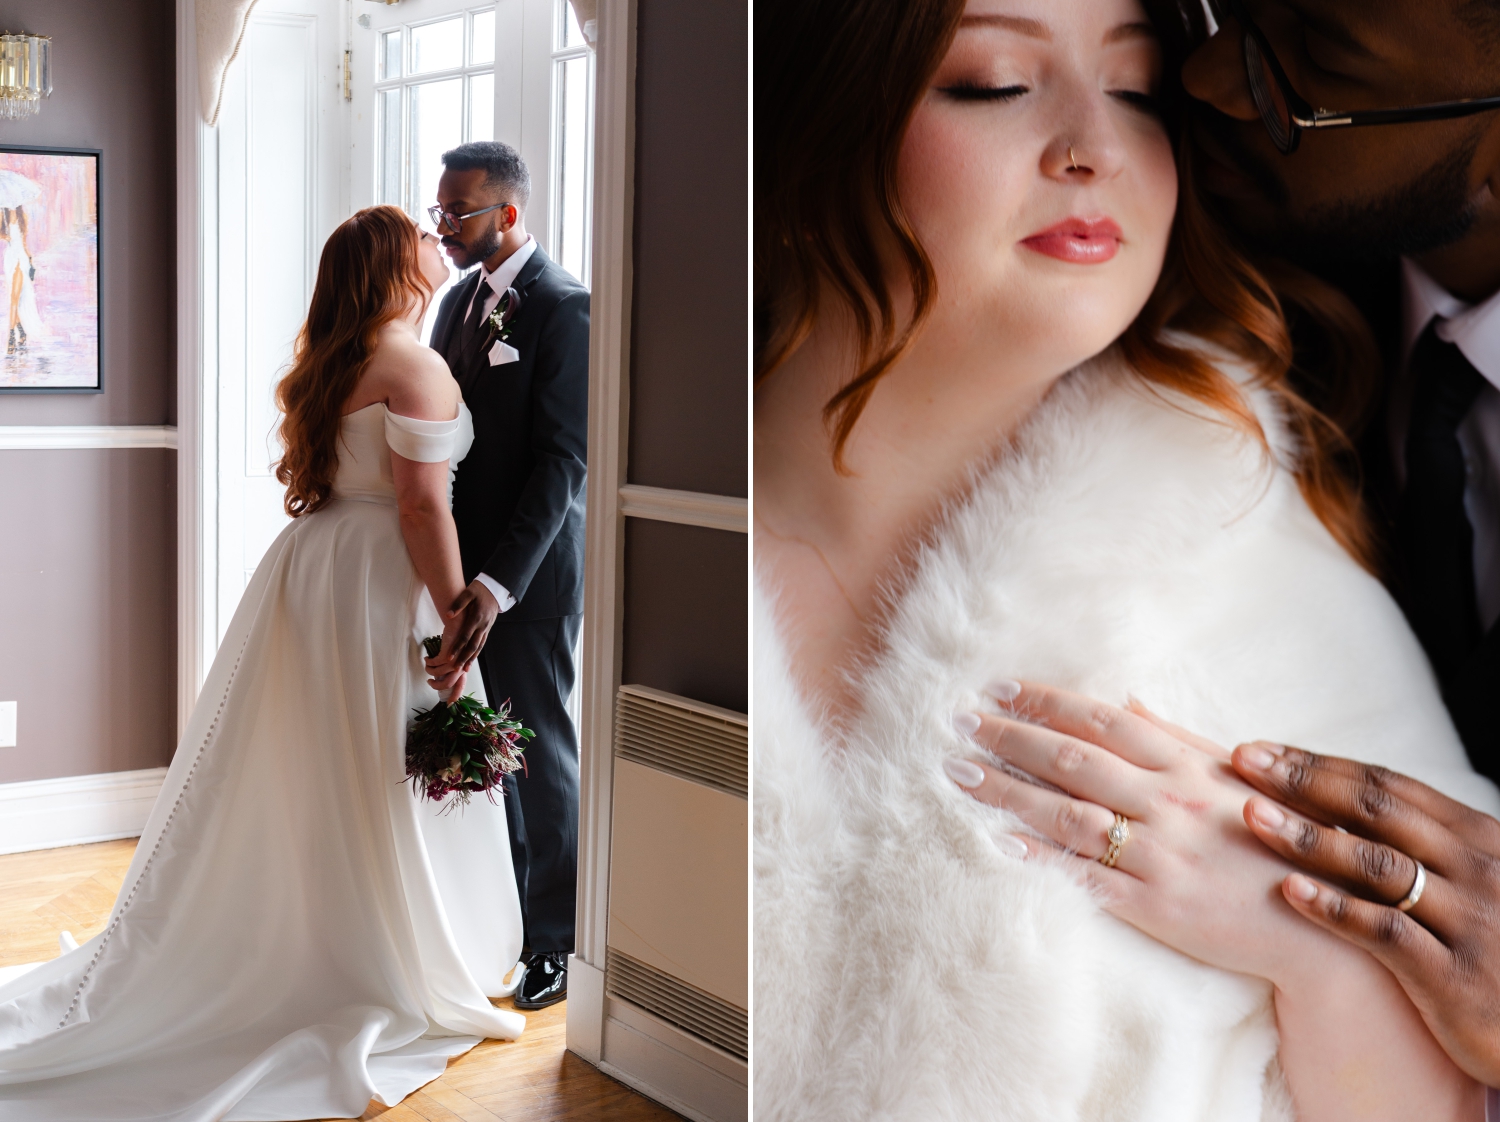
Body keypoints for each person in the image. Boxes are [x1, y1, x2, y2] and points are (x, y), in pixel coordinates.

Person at [754, 0, 1498, 1118]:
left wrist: (1329, 957)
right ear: (806, 139)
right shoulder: (648, 536)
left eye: (1135, 92)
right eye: (995, 83)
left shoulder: (1276, 573)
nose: (1095, 146)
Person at [0, 205, 527, 1119]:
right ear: (394, 269)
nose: (436, 256)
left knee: (315, 758)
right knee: (377, 761)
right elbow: (420, 509)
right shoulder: (411, 362)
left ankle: (308, 922)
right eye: (421, 246)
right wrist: (453, 615)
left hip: (313, 568)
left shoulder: (332, 359)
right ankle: (367, 947)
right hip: (375, 579)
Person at [422, 141, 589, 1011]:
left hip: (527, 583)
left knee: (540, 755)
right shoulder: (454, 303)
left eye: (460, 212)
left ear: (509, 215)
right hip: (455, 573)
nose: (443, 226)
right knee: (485, 749)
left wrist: (495, 584)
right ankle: (501, 925)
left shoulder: (565, 308)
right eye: (440, 210)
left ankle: (555, 944)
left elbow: (564, 463)